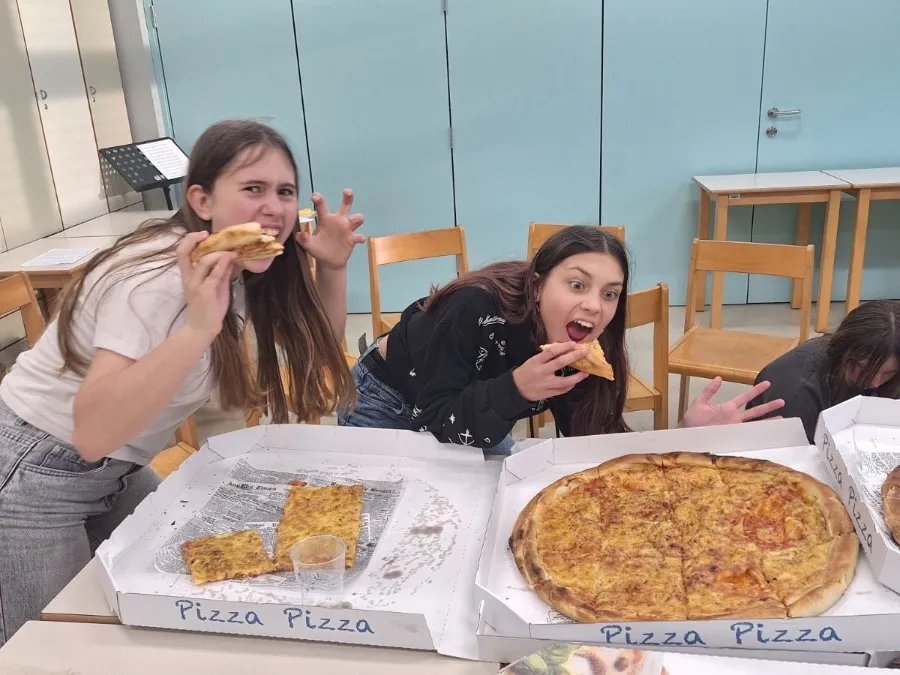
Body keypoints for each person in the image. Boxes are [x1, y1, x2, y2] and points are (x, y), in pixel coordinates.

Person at [0, 120, 364, 645]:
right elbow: (92, 434)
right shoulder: (156, 278)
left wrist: (332, 267)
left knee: (168, 605)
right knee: (53, 647)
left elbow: (320, 350)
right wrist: (197, 329)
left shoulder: (232, 266)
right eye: (253, 188)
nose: (275, 208)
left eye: (285, 192)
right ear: (202, 200)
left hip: (114, 472)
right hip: (34, 472)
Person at [338, 226, 784, 452]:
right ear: (537, 286)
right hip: (387, 400)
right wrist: (516, 389)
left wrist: (683, 437)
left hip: (467, 415)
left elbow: (594, 444)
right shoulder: (473, 307)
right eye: (576, 285)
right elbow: (439, 423)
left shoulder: (587, 351)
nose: (594, 305)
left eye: (609, 294)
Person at [746, 299, 900, 442]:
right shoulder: (797, 391)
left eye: (889, 373)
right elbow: (789, 455)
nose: (875, 383)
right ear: (842, 350)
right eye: (862, 369)